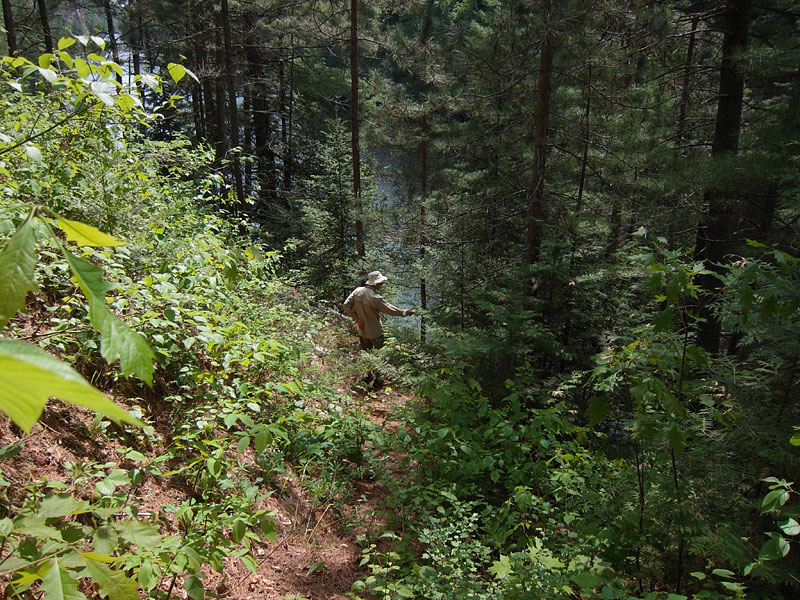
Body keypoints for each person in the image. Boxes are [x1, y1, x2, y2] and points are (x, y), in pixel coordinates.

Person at [343, 271, 415, 387]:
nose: (381, 284)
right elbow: (391, 310)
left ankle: (368, 376)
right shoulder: (375, 297)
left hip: (362, 330)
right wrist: (406, 312)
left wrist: (358, 319)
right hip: (375, 332)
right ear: (375, 283)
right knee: (380, 356)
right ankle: (378, 381)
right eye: (380, 282)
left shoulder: (357, 291)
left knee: (367, 354)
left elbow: (346, 306)